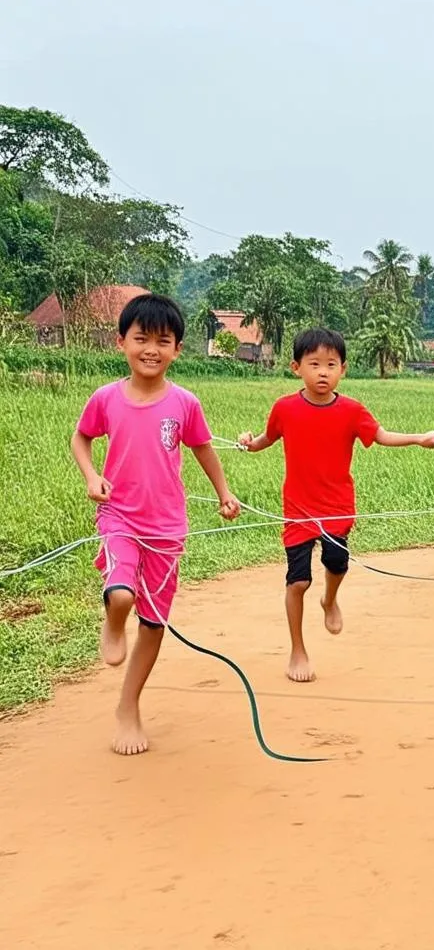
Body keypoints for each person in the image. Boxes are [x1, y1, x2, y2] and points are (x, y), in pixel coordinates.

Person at [71, 294, 240, 756]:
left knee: (153, 624)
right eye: (141, 338)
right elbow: (81, 437)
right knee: (123, 594)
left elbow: (203, 448)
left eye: (163, 341)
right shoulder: (106, 398)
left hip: (167, 527)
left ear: (177, 349)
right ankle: (112, 620)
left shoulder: (185, 403)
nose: (151, 349)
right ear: (121, 341)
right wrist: (92, 476)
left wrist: (225, 492)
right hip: (119, 515)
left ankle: (129, 706)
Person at [238, 327, 434, 683]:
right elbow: (266, 439)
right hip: (298, 510)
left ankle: (330, 600)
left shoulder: (351, 411)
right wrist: (247, 443)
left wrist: (417, 438)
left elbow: (379, 435)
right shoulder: (284, 408)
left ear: (343, 370)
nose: (322, 372)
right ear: (296, 367)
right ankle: (297, 650)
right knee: (297, 582)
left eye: (331, 364)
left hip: (336, 507)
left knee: (337, 564)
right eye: (314, 363)